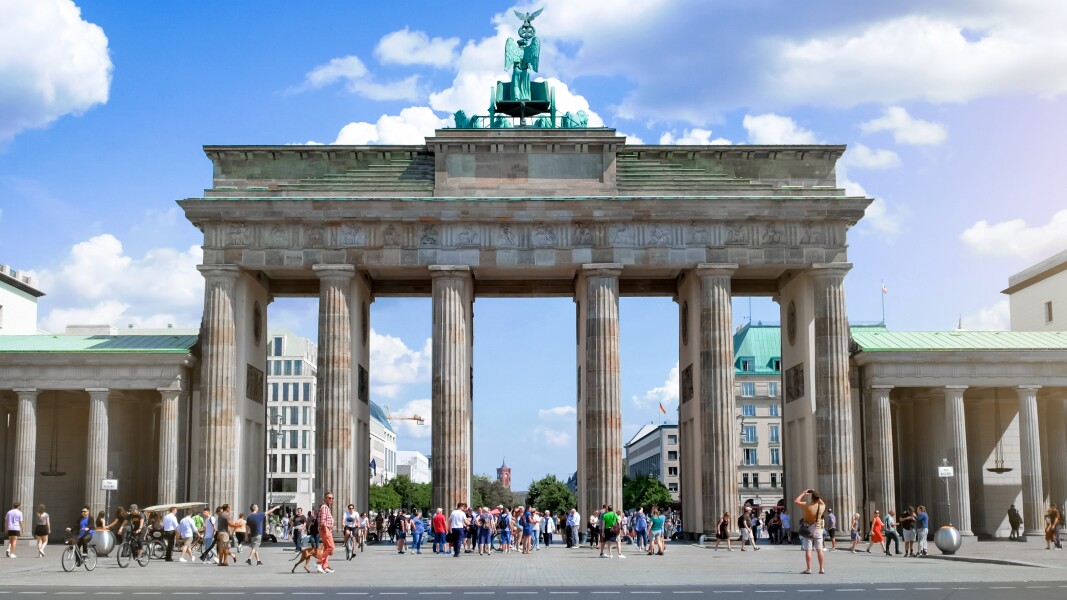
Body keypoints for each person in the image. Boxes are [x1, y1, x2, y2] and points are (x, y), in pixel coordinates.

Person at [795, 489, 826, 575]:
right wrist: (816, 495)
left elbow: (796, 501)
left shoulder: (807, 505)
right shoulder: (821, 507)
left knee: (808, 549)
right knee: (819, 550)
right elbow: (822, 502)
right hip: (818, 529)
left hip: (808, 528)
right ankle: (821, 569)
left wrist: (803, 493)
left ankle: (809, 568)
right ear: (818, 498)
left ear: (811, 497)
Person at [316, 492, 336, 573]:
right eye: (328, 498)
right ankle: (319, 562)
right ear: (325, 498)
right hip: (325, 529)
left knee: (326, 547)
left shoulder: (327, 507)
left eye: (332, 498)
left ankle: (324, 565)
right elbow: (323, 519)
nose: (330, 499)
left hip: (327, 529)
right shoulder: (324, 507)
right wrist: (325, 529)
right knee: (331, 547)